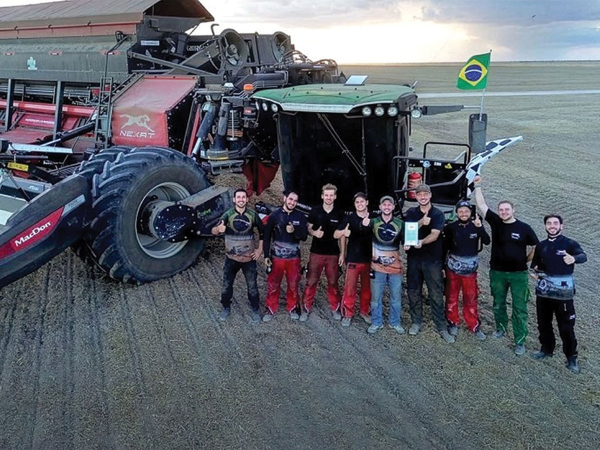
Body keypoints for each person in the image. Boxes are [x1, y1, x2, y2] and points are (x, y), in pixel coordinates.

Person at [473, 175, 539, 355]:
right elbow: (482, 204)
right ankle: (500, 328)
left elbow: (535, 246)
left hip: (518, 275)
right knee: (498, 303)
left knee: (519, 308)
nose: (503, 212)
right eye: (501, 210)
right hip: (497, 273)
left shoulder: (524, 228)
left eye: (506, 209)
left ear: (513, 210)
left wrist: (525, 260)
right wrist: (478, 186)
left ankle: (520, 341)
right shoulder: (496, 222)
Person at [530, 215, 587, 373]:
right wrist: (535, 272)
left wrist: (573, 258)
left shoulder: (569, 243)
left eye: (555, 223)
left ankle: (571, 358)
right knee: (543, 323)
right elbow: (535, 265)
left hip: (563, 294)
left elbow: (583, 256)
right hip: (544, 293)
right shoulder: (541, 245)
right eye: (549, 223)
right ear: (545, 226)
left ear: (561, 226)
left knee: (566, 327)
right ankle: (546, 349)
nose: (552, 226)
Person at [404, 184, 454, 343]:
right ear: (416, 196)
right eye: (419, 194)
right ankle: (416, 322)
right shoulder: (411, 213)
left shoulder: (438, 214)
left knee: (436, 293)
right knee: (413, 291)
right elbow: (408, 232)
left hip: (432, 260)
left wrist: (421, 241)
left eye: (425, 194)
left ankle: (441, 325)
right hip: (414, 259)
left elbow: (435, 234)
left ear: (430, 195)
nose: (423, 197)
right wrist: (421, 222)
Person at [211, 188, 264, 323]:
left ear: (247, 199)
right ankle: (225, 308)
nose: (241, 199)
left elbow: (263, 233)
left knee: (252, 286)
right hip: (231, 259)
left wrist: (259, 250)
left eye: (243, 197)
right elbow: (213, 231)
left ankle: (255, 309)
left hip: (248, 260)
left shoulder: (253, 215)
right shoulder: (227, 215)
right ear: (234, 200)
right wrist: (218, 229)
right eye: (238, 197)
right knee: (226, 285)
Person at [443, 200, 490, 340]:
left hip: (470, 271)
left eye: (466, 211)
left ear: (471, 213)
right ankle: (453, 322)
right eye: (461, 211)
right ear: (457, 213)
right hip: (453, 269)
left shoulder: (476, 226)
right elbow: (444, 247)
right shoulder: (450, 227)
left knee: (470, 297)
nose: (463, 214)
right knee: (451, 297)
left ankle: (473, 324)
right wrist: (442, 267)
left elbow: (487, 241)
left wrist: (480, 227)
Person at [300, 184, 345, 322]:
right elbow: (308, 228)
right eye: (326, 195)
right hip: (316, 252)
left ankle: (335, 308)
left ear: (335, 197)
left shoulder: (339, 213)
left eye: (331, 195)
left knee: (333, 282)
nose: (328, 198)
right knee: (311, 281)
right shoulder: (315, 211)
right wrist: (314, 233)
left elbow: (343, 235)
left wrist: (343, 253)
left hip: (333, 253)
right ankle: (306, 308)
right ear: (322, 196)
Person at [263, 189, 308, 321]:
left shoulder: (300, 216)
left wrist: (294, 231)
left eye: (295, 201)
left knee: (293, 285)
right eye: (290, 199)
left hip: (293, 259)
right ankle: (270, 308)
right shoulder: (274, 215)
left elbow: (304, 237)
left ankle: (293, 307)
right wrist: (266, 256)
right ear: (285, 199)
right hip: (276, 258)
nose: (292, 203)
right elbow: (266, 237)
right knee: (273, 284)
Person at [364, 195, 404, 334]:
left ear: (393, 207)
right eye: (384, 204)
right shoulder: (373, 222)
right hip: (377, 267)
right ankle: (376, 322)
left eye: (389, 205)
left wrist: (409, 244)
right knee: (376, 298)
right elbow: (360, 234)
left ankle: (395, 322)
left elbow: (407, 240)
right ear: (380, 207)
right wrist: (363, 224)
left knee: (396, 298)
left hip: (395, 268)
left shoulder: (400, 223)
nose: (387, 207)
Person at [334, 192, 373, 327]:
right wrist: (343, 234)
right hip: (353, 258)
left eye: (362, 201)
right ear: (354, 205)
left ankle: (364, 311)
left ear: (367, 203)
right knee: (350, 288)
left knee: (367, 289)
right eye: (357, 202)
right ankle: (348, 313)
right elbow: (336, 234)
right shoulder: (350, 219)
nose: (360, 204)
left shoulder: (373, 218)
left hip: (369, 259)